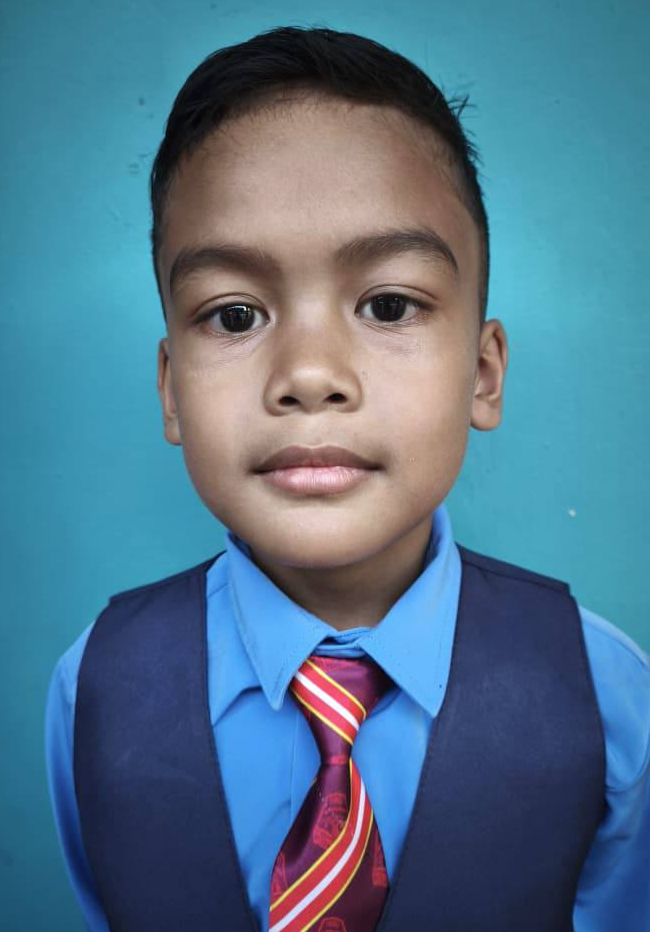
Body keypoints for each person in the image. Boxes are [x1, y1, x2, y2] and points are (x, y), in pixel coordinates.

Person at [45, 25, 650, 932]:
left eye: (389, 304)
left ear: (483, 374)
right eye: (235, 315)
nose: (309, 374)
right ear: (171, 393)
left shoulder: (609, 695)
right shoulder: (92, 686)